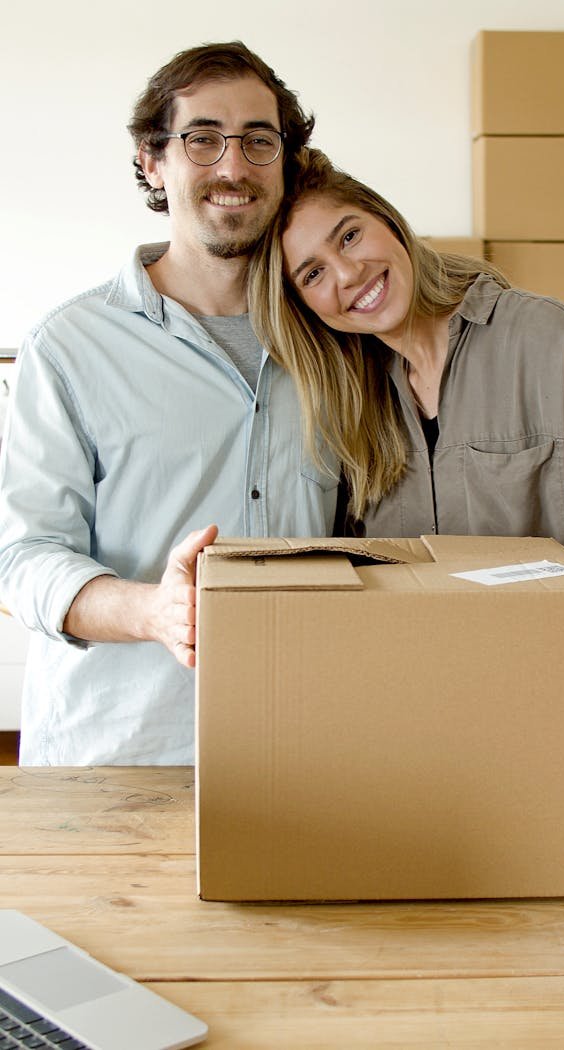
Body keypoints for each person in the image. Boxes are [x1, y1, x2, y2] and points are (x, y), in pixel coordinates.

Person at [249, 149, 564, 761]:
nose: (347, 274)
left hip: (557, 725)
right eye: (313, 274)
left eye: (349, 236)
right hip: (408, 738)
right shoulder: (346, 406)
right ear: (304, 307)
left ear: (389, 222)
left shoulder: (543, 339)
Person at [0, 44, 338, 766]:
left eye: (258, 140)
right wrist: (153, 612)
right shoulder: (70, 345)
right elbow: (22, 559)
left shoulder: (336, 341)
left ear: (285, 161)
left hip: (300, 751)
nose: (233, 166)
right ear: (153, 161)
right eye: (202, 138)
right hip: (120, 757)